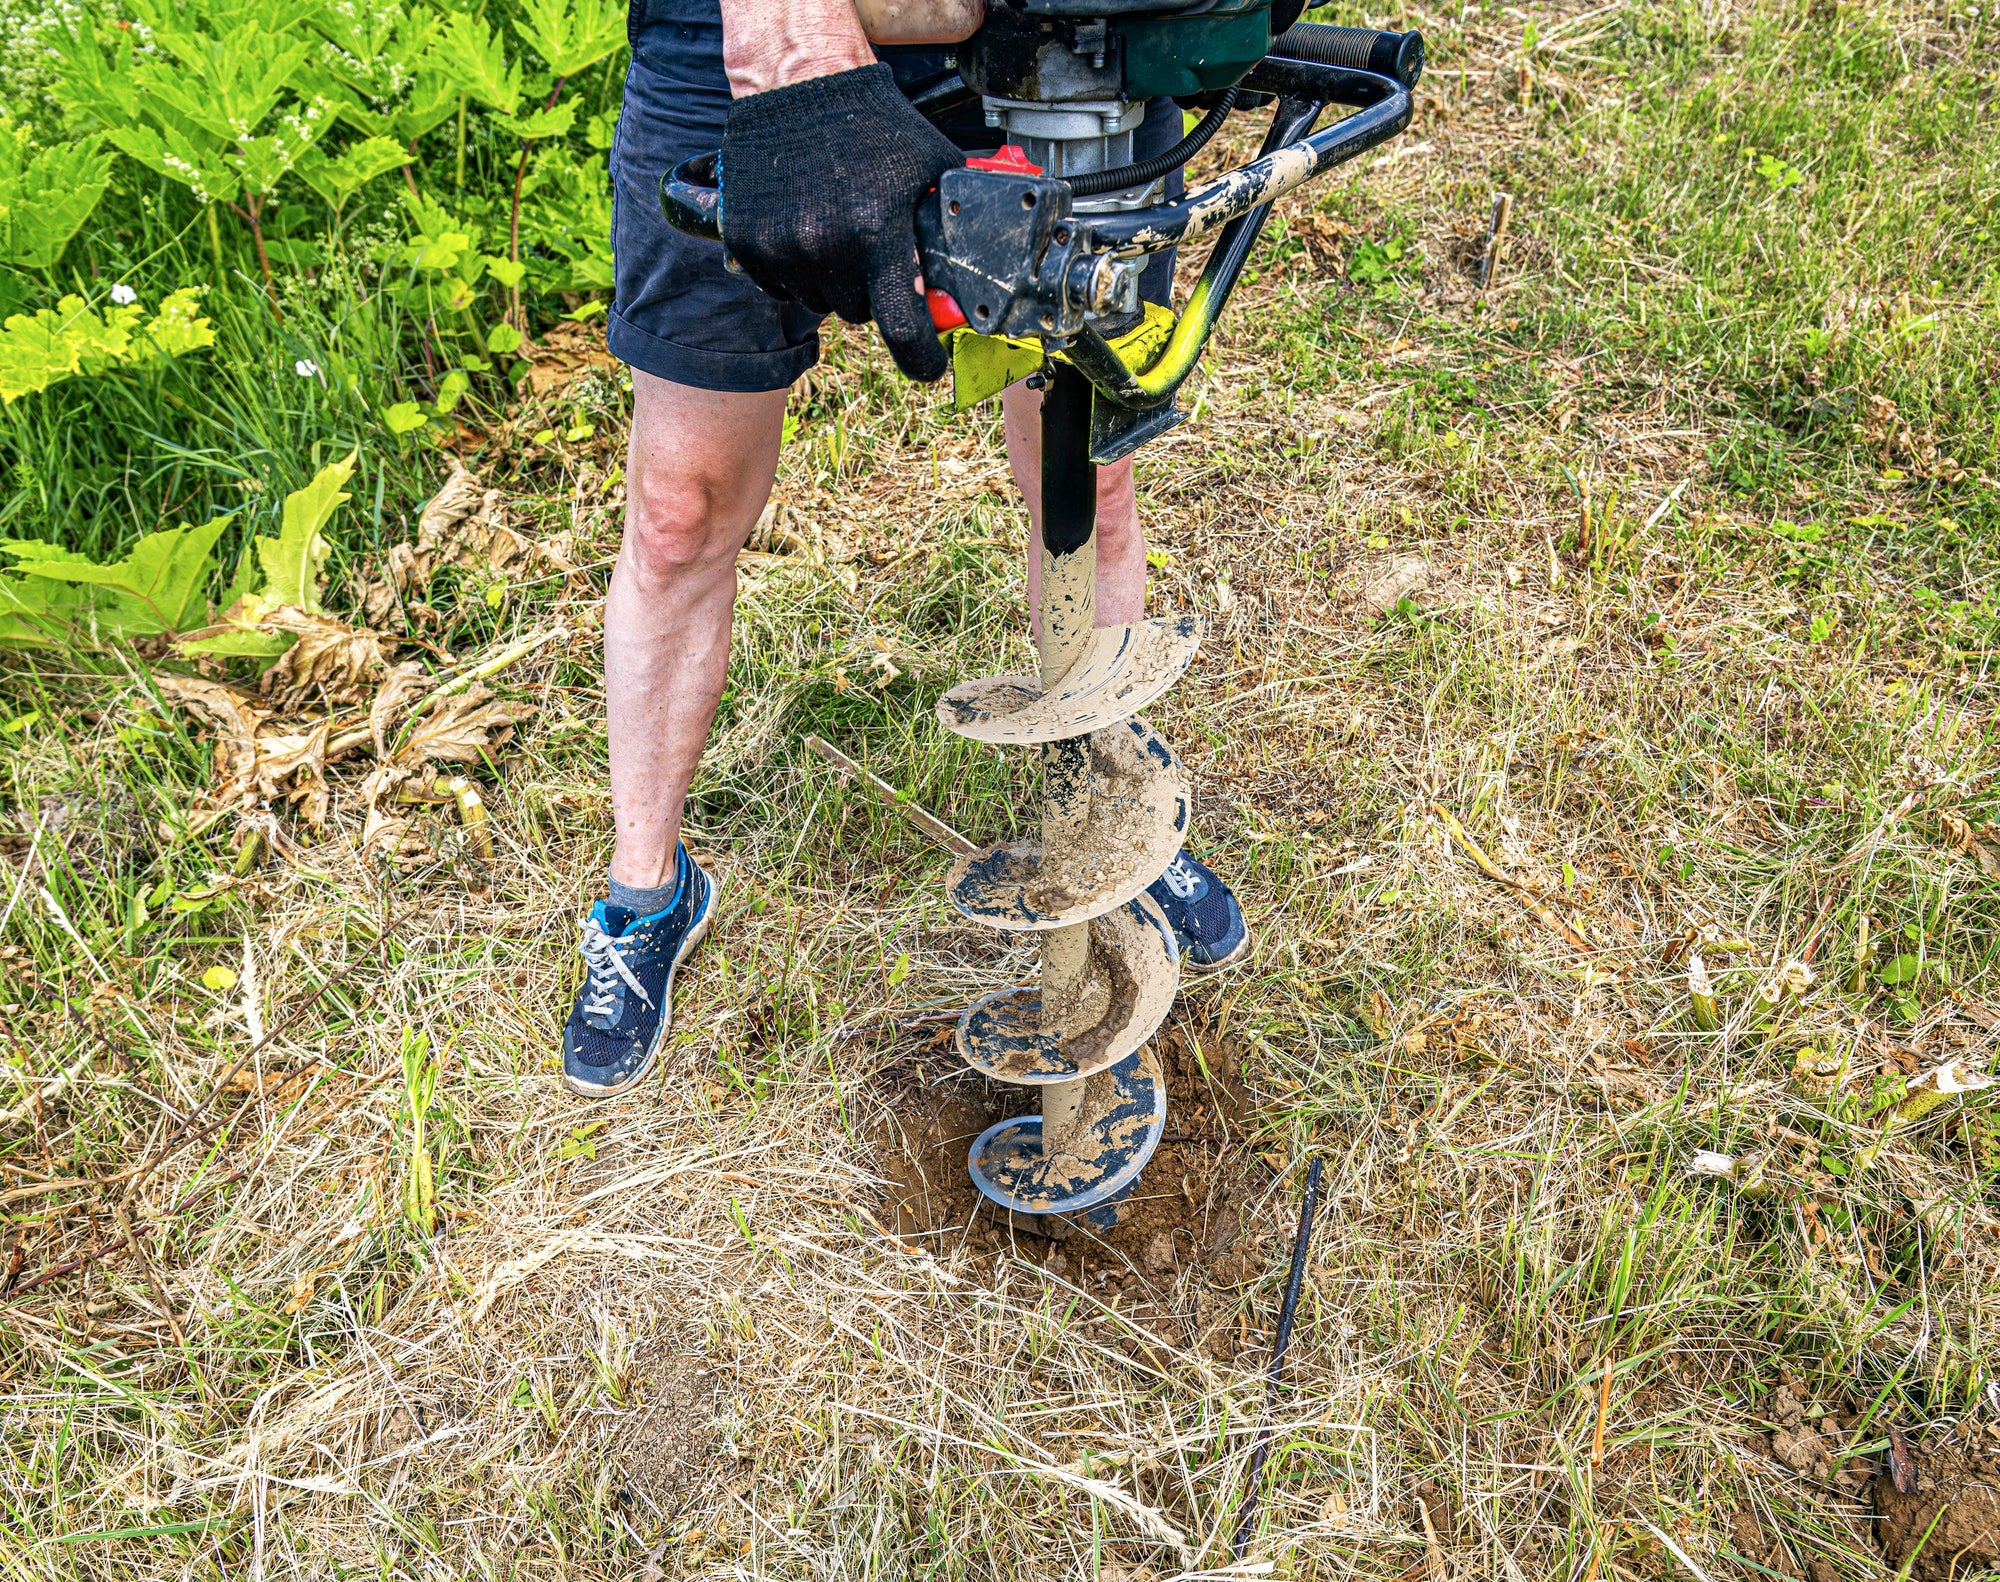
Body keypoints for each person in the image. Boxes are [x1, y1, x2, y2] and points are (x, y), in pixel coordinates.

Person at [562, 0, 1250, 1099]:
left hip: (1055, 35)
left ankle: (1105, 819)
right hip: (739, 37)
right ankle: (647, 891)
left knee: (1087, 474)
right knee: (679, 510)